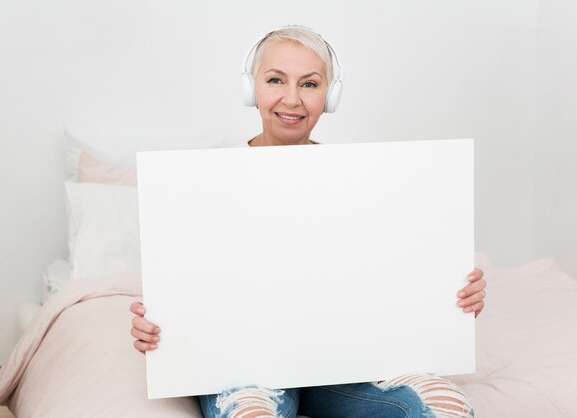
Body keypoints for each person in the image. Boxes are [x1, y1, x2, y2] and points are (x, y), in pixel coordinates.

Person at [130, 25, 486, 418]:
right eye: (275, 80)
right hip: (244, 368)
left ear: (330, 96)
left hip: (345, 368)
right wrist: (161, 323)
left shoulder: (368, 185)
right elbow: (191, 291)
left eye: (310, 84)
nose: (292, 99)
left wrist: (453, 298)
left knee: (444, 407)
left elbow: (396, 280)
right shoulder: (200, 189)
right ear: (252, 89)